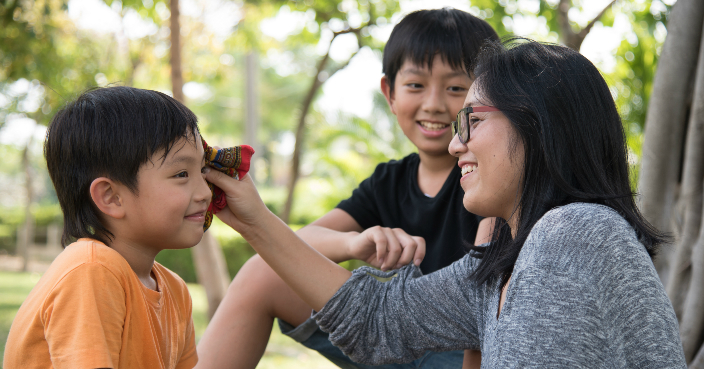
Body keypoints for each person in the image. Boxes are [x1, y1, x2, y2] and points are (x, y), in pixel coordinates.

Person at [203, 39, 687, 368]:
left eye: (470, 120)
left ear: (537, 124)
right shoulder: (503, 261)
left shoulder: (573, 234)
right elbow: (380, 321)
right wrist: (253, 220)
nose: (456, 145)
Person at [196, 8, 499, 369]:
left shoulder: (493, 178)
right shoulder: (389, 181)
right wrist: (354, 243)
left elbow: (485, 304)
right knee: (262, 273)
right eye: (416, 85)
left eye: (455, 88)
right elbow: (299, 244)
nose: (433, 104)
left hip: (461, 350)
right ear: (389, 93)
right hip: (388, 332)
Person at [3, 87, 209, 369]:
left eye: (204, 171)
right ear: (111, 197)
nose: (206, 192)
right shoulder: (91, 270)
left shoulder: (175, 289)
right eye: (182, 174)